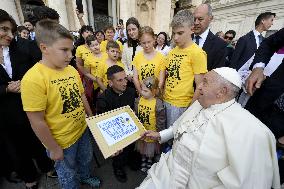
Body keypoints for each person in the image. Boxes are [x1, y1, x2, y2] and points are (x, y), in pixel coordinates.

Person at [137, 67, 280, 189]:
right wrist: (160, 135)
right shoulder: (201, 102)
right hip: (166, 172)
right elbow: (180, 126)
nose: (198, 86)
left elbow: (247, 182)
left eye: (205, 82)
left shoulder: (250, 130)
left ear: (221, 91)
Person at [21, 20, 101, 189]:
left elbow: (81, 96)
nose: (70, 55)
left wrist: (91, 117)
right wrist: (53, 148)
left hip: (82, 129)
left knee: (85, 159)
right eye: (64, 50)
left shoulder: (71, 70)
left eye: (71, 50)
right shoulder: (34, 79)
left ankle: (85, 176)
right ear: (44, 48)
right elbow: (37, 121)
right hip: (61, 141)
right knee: (67, 174)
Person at [0, 9, 54, 189]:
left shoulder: (22, 47)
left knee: (38, 139)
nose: (9, 35)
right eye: (4, 29)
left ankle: (47, 166)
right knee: (16, 149)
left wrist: (27, 82)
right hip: (5, 114)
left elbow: (38, 69)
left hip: (29, 105)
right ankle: (29, 177)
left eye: (11, 31)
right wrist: (5, 88)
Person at [163, 9, 207, 130]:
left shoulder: (197, 53)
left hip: (181, 105)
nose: (175, 38)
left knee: (175, 139)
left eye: (180, 33)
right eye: (174, 33)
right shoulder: (173, 51)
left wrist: (190, 110)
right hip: (165, 100)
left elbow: (200, 85)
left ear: (192, 29)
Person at [96, 65, 138, 182]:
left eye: (125, 78)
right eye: (120, 80)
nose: (125, 83)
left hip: (130, 130)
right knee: (119, 155)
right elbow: (101, 126)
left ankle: (129, 158)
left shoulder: (130, 91)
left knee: (131, 151)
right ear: (110, 83)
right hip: (115, 135)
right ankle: (118, 167)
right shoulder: (103, 99)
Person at [135, 76, 166, 172]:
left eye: (145, 91)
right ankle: (143, 158)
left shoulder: (158, 103)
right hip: (142, 131)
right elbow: (135, 114)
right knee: (142, 146)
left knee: (150, 148)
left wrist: (159, 132)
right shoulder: (138, 100)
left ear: (154, 91)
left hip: (152, 132)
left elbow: (161, 119)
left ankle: (149, 160)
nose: (142, 92)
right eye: (142, 90)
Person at [132, 26, 165, 95]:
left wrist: (154, 93)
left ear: (154, 39)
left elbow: (161, 80)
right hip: (142, 93)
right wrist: (141, 92)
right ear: (140, 42)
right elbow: (135, 78)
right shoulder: (137, 57)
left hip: (155, 95)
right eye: (143, 43)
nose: (146, 45)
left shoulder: (161, 57)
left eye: (149, 42)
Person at [193, 3, 227, 70]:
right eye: (194, 19)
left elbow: (216, 73)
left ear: (210, 19)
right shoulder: (185, 38)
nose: (196, 23)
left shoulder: (220, 45)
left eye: (200, 19)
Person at [84, 35, 108, 107]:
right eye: (92, 46)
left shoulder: (106, 54)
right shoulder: (88, 59)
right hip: (97, 85)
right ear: (88, 47)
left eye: (96, 44)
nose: (95, 47)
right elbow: (87, 73)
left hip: (109, 82)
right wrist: (97, 80)